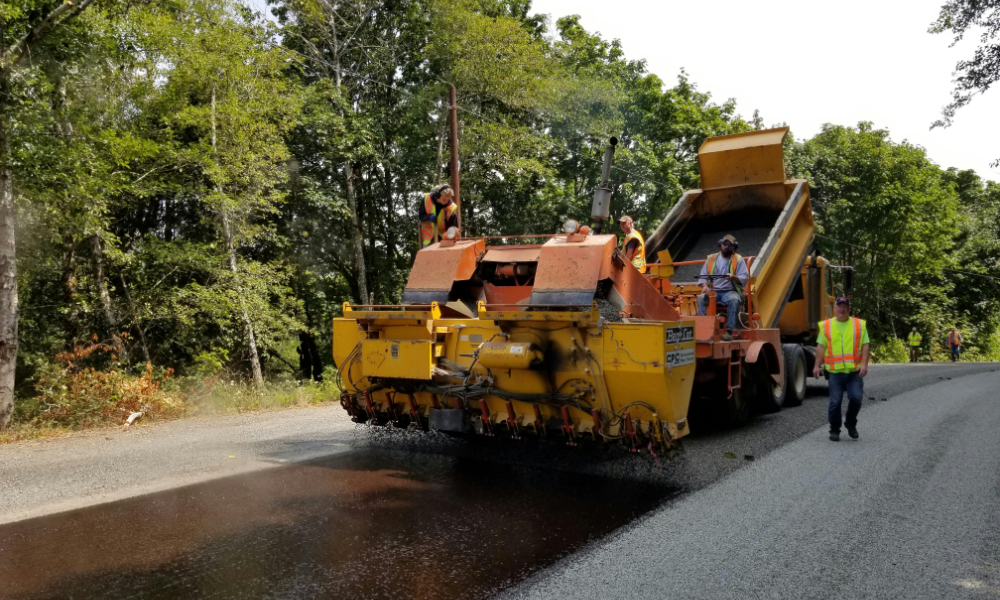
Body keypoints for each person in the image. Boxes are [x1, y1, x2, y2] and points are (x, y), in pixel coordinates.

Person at [813, 296, 870, 442]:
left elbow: (865, 345)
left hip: (854, 372)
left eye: (845, 306)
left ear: (849, 309)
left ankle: (850, 423)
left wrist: (864, 364)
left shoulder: (859, 325)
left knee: (856, 398)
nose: (842, 309)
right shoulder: (827, 326)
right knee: (835, 402)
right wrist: (816, 365)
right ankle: (834, 430)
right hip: (834, 372)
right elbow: (821, 346)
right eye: (839, 306)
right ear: (835, 308)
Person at [696, 234, 749, 341]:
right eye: (725, 244)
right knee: (701, 298)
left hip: (730, 291)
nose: (727, 246)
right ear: (721, 244)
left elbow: (744, 277)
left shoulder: (738, 259)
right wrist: (705, 286)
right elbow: (703, 277)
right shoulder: (711, 259)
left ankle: (729, 331)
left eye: (730, 245)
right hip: (714, 291)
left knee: (734, 300)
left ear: (734, 247)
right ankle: (705, 329)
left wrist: (733, 277)